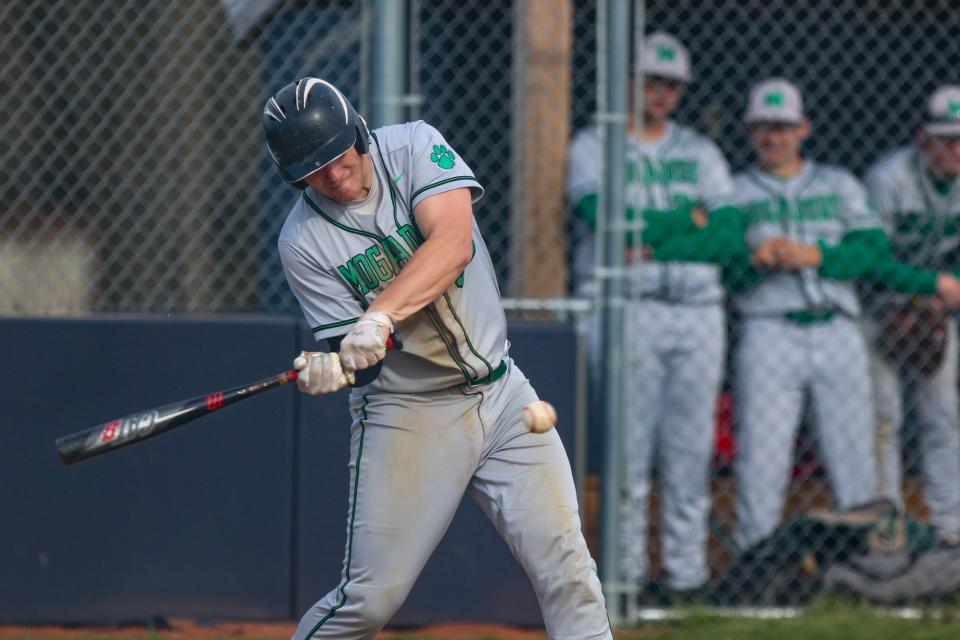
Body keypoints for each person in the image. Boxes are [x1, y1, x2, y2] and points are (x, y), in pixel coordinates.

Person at [262, 78, 611, 639]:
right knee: (369, 601)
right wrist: (339, 364)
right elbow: (366, 363)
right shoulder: (301, 241)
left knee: (568, 570)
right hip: (409, 413)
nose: (331, 174)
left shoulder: (414, 146)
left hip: (503, 394)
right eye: (311, 169)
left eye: (336, 155)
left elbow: (453, 245)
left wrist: (378, 316)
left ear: (356, 132)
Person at [566, 33, 742, 596]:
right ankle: (626, 575)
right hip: (626, 311)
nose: (662, 93)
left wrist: (652, 236)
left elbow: (730, 236)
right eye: (651, 81)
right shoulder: (595, 145)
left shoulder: (701, 151)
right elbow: (602, 219)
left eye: (671, 84)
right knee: (629, 452)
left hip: (698, 312)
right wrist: (687, 222)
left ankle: (686, 577)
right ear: (628, 84)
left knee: (690, 454)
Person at [727, 78, 885, 551]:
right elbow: (722, 268)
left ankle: (862, 564)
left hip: (837, 327)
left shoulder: (839, 184)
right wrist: (754, 263)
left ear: (804, 129)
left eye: (784, 127)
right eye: (763, 128)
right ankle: (754, 566)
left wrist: (817, 255)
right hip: (768, 328)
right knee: (762, 455)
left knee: (854, 453)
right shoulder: (733, 191)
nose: (774, 137)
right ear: (750, 133)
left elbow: (875, 251)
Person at [863, 84, 960, 547]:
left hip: (934, 312)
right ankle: (889, 523)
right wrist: (931, 285)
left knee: (942, 416)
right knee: (884, 418)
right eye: (947, 139)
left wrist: (942, 292)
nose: (956, 149)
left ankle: (950, 527)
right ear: (924, 139)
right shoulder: (890, 177)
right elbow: (873, 259)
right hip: (878, 309)